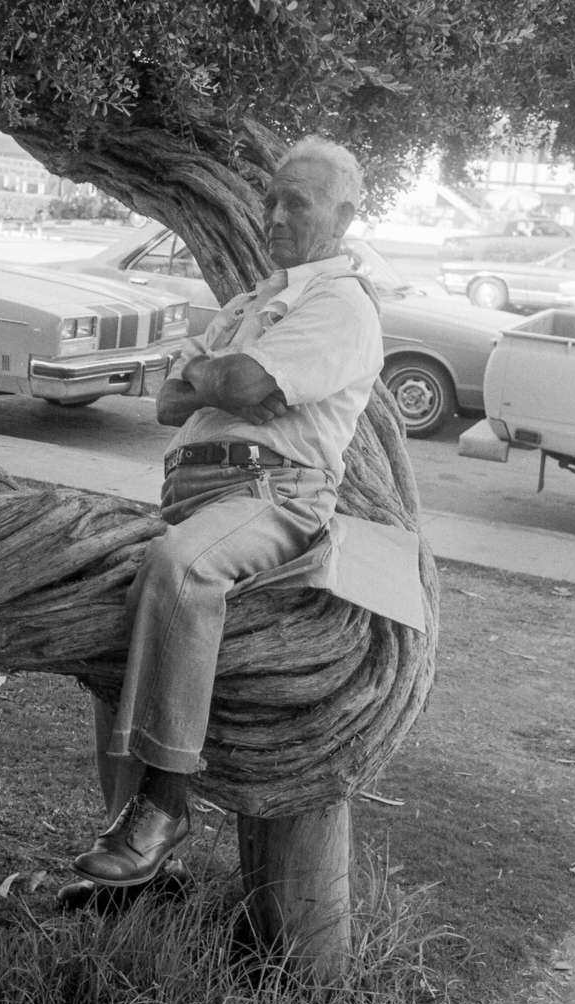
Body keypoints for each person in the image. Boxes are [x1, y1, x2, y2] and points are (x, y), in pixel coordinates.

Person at [59, 136, 385, 908]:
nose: (273, 214)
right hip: (193, 492)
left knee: (182, 568)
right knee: (112, 624)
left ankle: (166, 804)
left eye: (295, 202)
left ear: (344, 214)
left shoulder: (340, 303)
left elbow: (236, 378)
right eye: (271, 197)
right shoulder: (252, 303)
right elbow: (171, 398)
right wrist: (220, 382)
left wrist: (222, 378)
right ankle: (136, 870)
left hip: (273, 494)